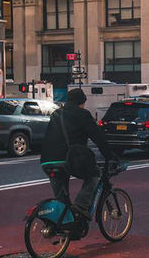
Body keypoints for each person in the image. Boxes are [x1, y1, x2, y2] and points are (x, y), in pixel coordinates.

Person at [40, 87, 116, 220]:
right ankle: (81, 206)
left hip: (47, 161)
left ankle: (65, 225)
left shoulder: (56, 114)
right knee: (95, 175)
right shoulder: (83, 114)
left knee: (61, 199)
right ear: (81, 102)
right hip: (68, 159)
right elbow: (98, 138)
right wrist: (110, 155)